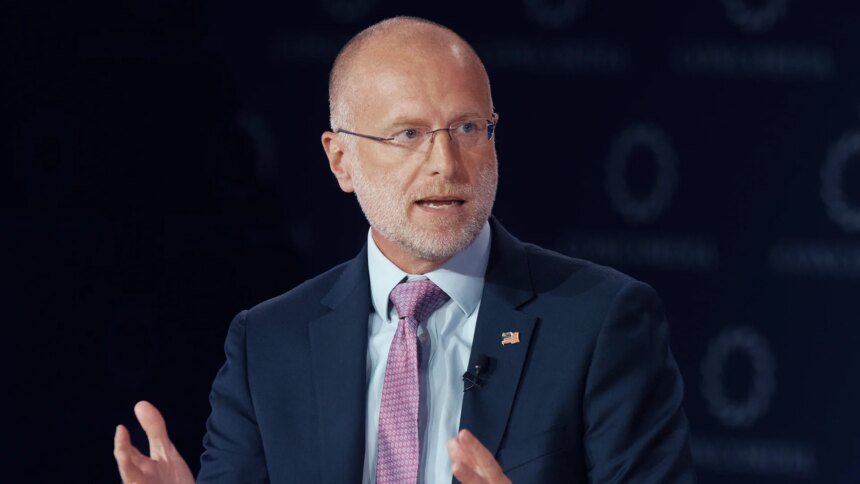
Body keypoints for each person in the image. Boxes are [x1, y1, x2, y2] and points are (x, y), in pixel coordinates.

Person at [113, 16, 694, 484]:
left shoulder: (601, 322)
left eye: (468, 128)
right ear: (341, 160)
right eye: (409, 134)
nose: (446, 164)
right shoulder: (267, 344)